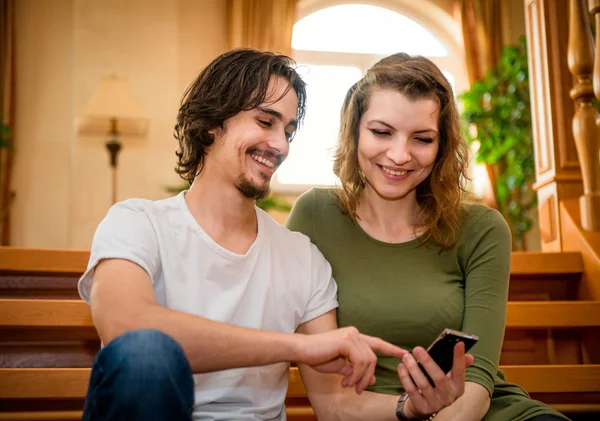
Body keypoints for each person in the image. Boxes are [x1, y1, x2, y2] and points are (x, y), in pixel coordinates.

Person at [77, 49, 469, 421]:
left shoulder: (302, 257)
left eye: (288, 129)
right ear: (212, 122)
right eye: (265, 122)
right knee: (146, 353)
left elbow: (335, 404)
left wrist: (410, 408)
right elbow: (128, 327)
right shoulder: (136, 222)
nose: (280, 145)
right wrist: (297, 346)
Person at [286, 53, 570, 421]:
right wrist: (410, 409)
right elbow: (333, 405)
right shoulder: (314, 216)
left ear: (441, 147)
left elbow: (479, 380)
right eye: (381, 132)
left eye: (422, 138)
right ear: (354, 131)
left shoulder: (482, 228)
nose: (400, 155)